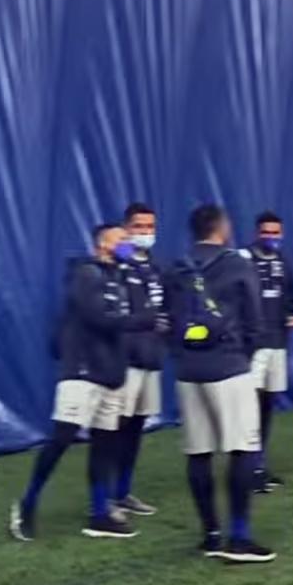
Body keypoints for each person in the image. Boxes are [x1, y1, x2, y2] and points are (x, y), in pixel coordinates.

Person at [10, 224, 160, 541]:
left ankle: (99, 514)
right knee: (62, 438)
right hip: (82, 373)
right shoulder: (85, 274)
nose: (128, 244)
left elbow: (134, 315)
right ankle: (27, 504)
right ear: (102, 244)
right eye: (121, 240)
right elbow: (100, 319)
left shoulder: (120, 278)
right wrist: (142, 321)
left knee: (105, 444)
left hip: (111, 374)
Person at [166, 204, 274, 563]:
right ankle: (239, 537)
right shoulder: (237, 263)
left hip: (187, 370)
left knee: (199, 452)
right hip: (228, 366)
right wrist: (242, 353)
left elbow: (166, 320)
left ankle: (210, 534)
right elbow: (255, 320)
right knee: (242, 449)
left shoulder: (177, 266)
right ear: (221, 228)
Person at [109, 203, 168, 521]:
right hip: (125, 362)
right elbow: (116, 318)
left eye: (150, 226)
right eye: (139, 226)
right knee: (114, 429)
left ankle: (123, 491)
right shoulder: (118, 267)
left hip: (151, 360)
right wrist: (147, 323)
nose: (145, 232)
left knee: (135, 429)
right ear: (126, 228)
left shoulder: (155, 267)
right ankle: (105, 499)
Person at [242, 211, 293, 493]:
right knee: (248, 407)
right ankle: (246, 468)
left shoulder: (283, 261)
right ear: (257, 233)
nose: (271, 237)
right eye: (266, 232)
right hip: (253, 348)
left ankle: (259, 465)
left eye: (275, 233)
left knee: (267, 406)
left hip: (278, 344)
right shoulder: (244, 261)